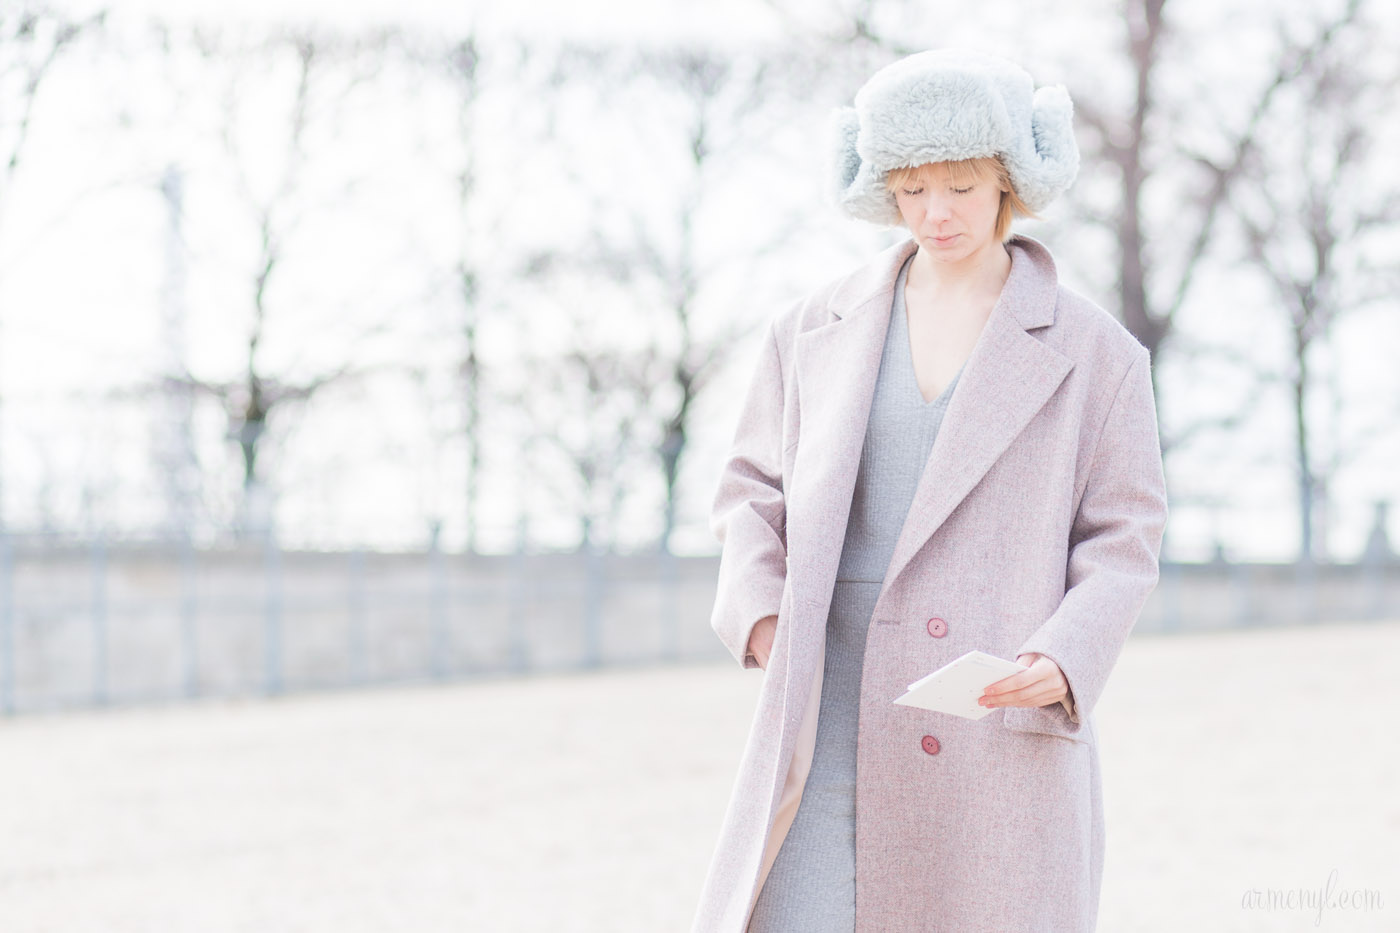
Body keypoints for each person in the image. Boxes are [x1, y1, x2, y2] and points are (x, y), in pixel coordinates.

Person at [691, 49, 1169, 933]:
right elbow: (750, 487)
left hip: (991, 715)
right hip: (823, 705)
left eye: (958, 185)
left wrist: (1063, 658)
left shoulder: (1097, 352)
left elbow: (1124, 534)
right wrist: (762, 615)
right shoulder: (808, 329)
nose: (934, 212)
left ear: (1006, 181)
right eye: (911, 189)